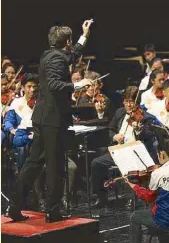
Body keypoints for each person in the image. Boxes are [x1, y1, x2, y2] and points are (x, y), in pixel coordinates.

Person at [6, 19, 94, 222]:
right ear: (67, 41)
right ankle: (53, 211)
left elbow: (71, 56)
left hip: (45, 117)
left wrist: (85, 35)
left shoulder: (51, 54)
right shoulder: (56, 58)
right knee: (54, 166)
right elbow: (55, 84)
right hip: (52, 120)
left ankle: (15, 205)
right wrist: (78, 84)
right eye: (72, 40)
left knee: (34, 163)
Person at [91, 86, 157, 208]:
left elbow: (148, 136)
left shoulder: (146, 117)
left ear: (137, 102)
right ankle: (101, 197)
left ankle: (133, 198)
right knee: (96, 163)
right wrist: (115, 136)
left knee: (128, 167)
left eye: (131, 101)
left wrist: (138, 130)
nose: (129, 105)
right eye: (126, 101)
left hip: (136, 153)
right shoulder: (119, 112)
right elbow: (111, 129)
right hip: (119, 150)